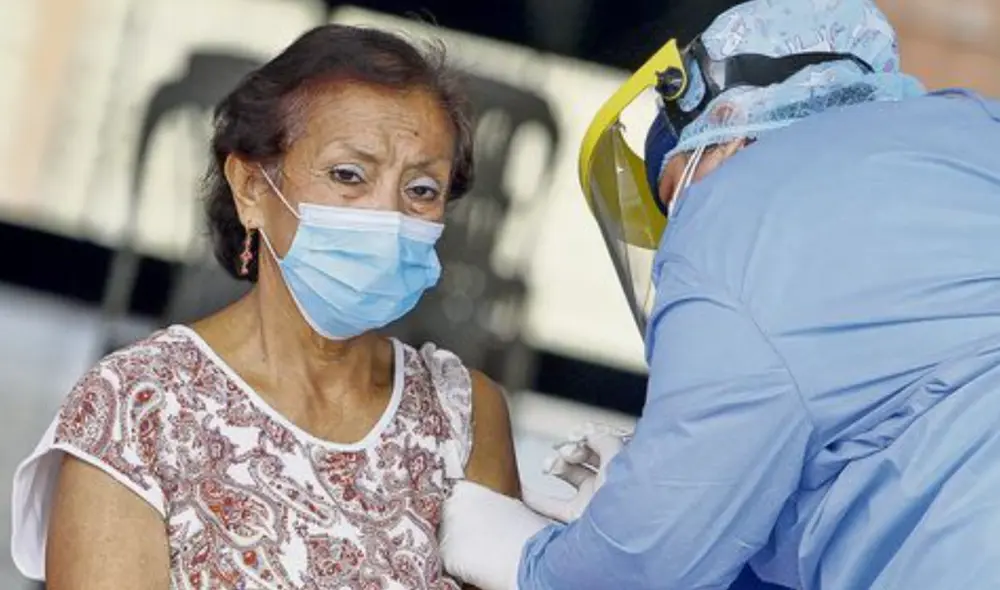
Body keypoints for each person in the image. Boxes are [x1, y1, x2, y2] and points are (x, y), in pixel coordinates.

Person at [437, 0, 1000, 589]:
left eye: (677, 191)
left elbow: (645, 566)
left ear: (728, 125)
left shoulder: (741, 210)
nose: (680, 224)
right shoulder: (971, 132)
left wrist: (530, 559)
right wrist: (649, 492)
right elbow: (885, 441)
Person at [10, 24, 520, 589]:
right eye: (348, 175)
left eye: (422, 190)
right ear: (252, 187)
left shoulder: (463, 414)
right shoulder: (137, 409)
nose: (387, 215)